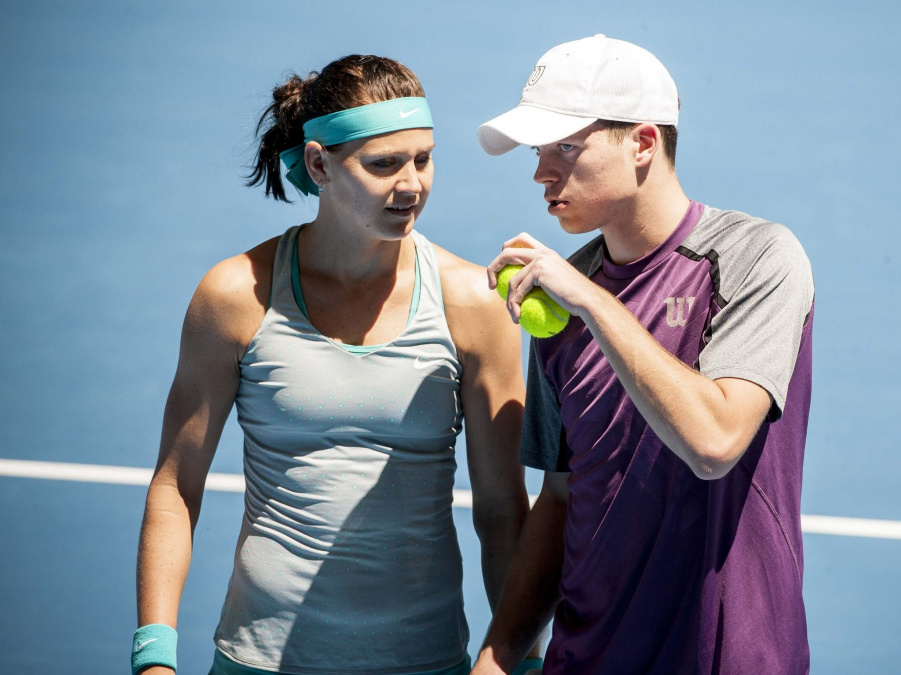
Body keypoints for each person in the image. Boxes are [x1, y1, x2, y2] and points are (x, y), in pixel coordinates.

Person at [133, 55, 540, 675]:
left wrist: (523, 660)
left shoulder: (472, 303)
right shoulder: (236, 295)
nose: (411, 186)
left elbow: (503, 510)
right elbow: (175, 486)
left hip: (425, 662)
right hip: (257, 661)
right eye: (383, 164)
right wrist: (154, 658)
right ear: (320, 163)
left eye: (423, 159)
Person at [470, 35, 816, 674]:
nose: (543, 172)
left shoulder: (757, 258)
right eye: (539, 152)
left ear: (644, 143)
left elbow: (714, 441)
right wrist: (496, 657)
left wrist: (597, 305)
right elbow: (563, 497)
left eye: (566, 148)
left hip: (729, 659)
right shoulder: (560, 297)